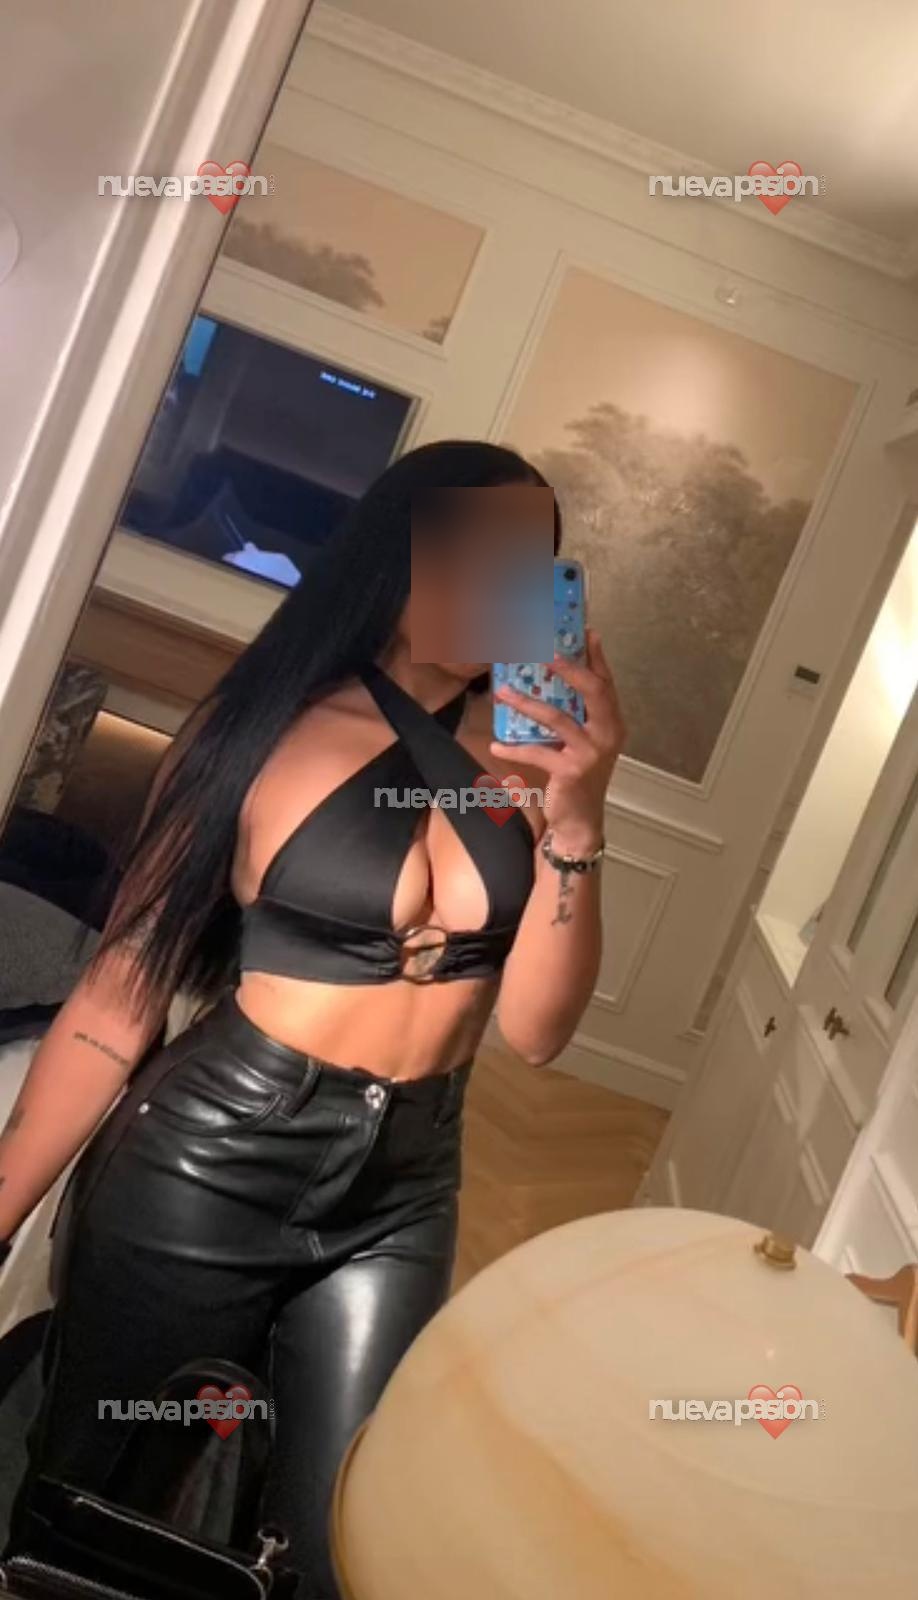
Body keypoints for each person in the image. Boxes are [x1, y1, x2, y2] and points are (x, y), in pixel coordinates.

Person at [0, 440, 625, 1598]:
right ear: (401, 550)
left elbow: (539, 1030)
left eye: (529, 562)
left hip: (403, 1188)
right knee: (96, 1494)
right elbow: (120, 993)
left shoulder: (527, 762)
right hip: (209, 1159)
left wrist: (581, 814)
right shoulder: (264, 727)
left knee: (347, 1533)